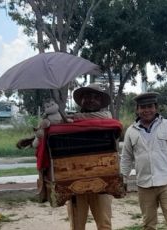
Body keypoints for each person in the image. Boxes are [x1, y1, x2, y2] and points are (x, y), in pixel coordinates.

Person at [120, 92, 167, 230]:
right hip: (144, 185)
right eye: (143, 107)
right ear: (137, 109)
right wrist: (123, 179)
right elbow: (126, 158)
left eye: (150, 106)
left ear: (156, 108)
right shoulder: (131, 131)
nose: (146, 110)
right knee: (148, 225)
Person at [67, 83, 113, 230]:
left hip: (102, 181)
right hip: (75, 180)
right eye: (87, 96)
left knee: (104, 225)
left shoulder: (108, 120)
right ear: (81, 100)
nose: (91, 100)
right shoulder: (69, 122)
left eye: (95, 97)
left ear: (100, 101)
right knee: (76, 226)